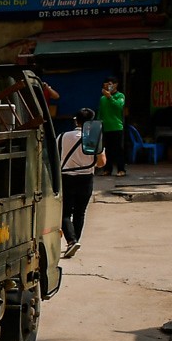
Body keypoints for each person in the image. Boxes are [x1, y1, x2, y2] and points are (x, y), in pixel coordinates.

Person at [57, 109, 105, 258]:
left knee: (64, 213)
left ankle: (72, 241)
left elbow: (54, 158)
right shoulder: (94, 138)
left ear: (75, 120)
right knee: (80, 212)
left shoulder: (62, 136)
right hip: (86, 179)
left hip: (66, 178)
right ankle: (74, 241)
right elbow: (102, 162)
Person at [99, 79, 128, 177]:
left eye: (110, 84)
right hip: (106, 127)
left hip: (116, 126)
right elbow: (100, 113)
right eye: (106, 84)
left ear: (116, 85)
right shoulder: (102, 99)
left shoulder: (120, 96)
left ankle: (121, 169)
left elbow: (119, 106)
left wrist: (110, 97)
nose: (108, 86)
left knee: (118, 149)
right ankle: (107, 169)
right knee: (107, 149)